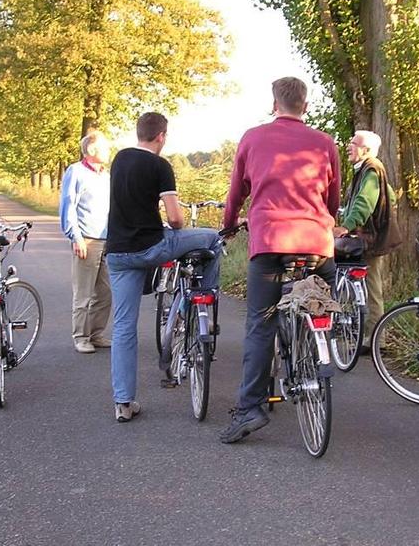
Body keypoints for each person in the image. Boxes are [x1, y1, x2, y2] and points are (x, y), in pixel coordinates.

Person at [219, 77, 341, 443]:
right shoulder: (324, 143)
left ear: (274, 104)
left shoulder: (253, 138)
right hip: (316, 244)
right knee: (320, 305)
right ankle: (317, 345)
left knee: (261, 324)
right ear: (305, 106)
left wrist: (228, 226)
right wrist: (324, 221)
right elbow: (332, 199)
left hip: (270, 241)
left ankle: (250, 409)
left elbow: (236, 193)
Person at [104, 112, 223, 423]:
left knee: (124, 327)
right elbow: (175, 219)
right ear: (161, 136)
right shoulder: (160, 165)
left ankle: (123, 402)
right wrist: (176, 223)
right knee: (212, 239)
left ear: (139, 133)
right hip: (151, 248)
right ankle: (205, 301)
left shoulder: (119, 160)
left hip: (117, 253)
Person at [333, 130, 402, 351]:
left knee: (372, 288)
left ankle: (375, 340)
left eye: (354, 143)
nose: (349, 146)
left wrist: (347, 225)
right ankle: (369, 336)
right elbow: (389, 195)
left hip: (369, 241)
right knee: (370, 287)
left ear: (367, 150)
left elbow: (364, 202)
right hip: (371, 237)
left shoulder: (371, 169)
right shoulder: (370, 169)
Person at [59, 132, 113, 354]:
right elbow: (68, 205)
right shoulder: (76, 172)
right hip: (87, 239)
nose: (109, 151)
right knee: (84, 293)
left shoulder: (107, 176)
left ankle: (96, 334)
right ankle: (81, 337)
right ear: (92, 151)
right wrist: (76, 236)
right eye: (105, 148)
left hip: (107, 239)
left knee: (105, 292)